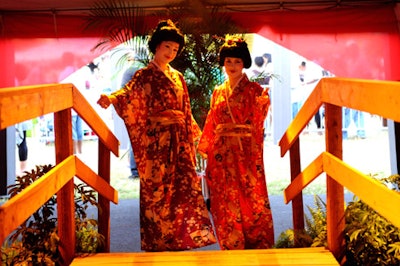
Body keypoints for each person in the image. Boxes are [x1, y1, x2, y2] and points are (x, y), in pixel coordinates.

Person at [97, 19, 216, 252]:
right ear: (156, 47)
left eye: (175, 49)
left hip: (179, 140)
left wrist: (197, 139)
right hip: (156, 141)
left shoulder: (178, 77)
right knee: (157, 189)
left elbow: (186, 110)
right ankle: (159, 240)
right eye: (167, 47)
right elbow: (127, 94)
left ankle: (179, 237)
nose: (171, 52)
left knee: (182, 188)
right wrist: (111, 98)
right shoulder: (144, 75)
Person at [197, 36, 274, 250]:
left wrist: (262, 105)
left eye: (237, 62)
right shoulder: (218, 92)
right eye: (229, 61)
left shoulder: (255, 90)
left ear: (244, 64)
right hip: (221, 154)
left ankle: (257, 242)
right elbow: (212, 120)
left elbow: (258, 121)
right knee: (224, 198)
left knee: (251, 195)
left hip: (245, 153)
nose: (232, 66)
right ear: (223, 62)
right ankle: (231, 243)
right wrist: (206, 148)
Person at [120, 52, 140, 178]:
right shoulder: (138, 70)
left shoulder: (129, 70)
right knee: (135, 141)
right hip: (136, 110)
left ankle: (135, 170)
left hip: (133, 109)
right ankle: (135, 170)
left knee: (134, 141)